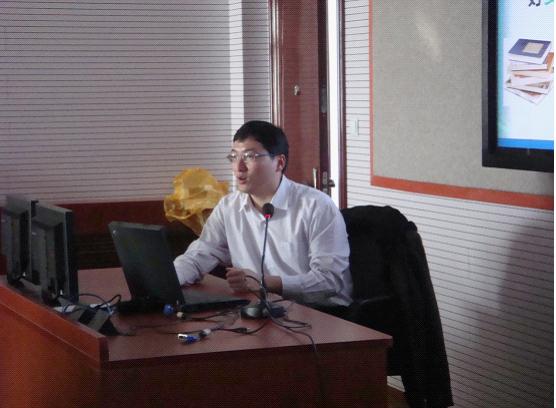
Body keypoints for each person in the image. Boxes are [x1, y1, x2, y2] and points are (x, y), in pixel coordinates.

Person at [174, 120, 352, 307]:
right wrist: (167, 280)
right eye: (234, 157)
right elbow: (199, 256)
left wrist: (265, 283)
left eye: (249, 156)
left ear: (279, 163)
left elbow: (329, 281)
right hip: (262, 308)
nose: (238, 167)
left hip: (321, 313)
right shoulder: (229, 207)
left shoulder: (317, 206)